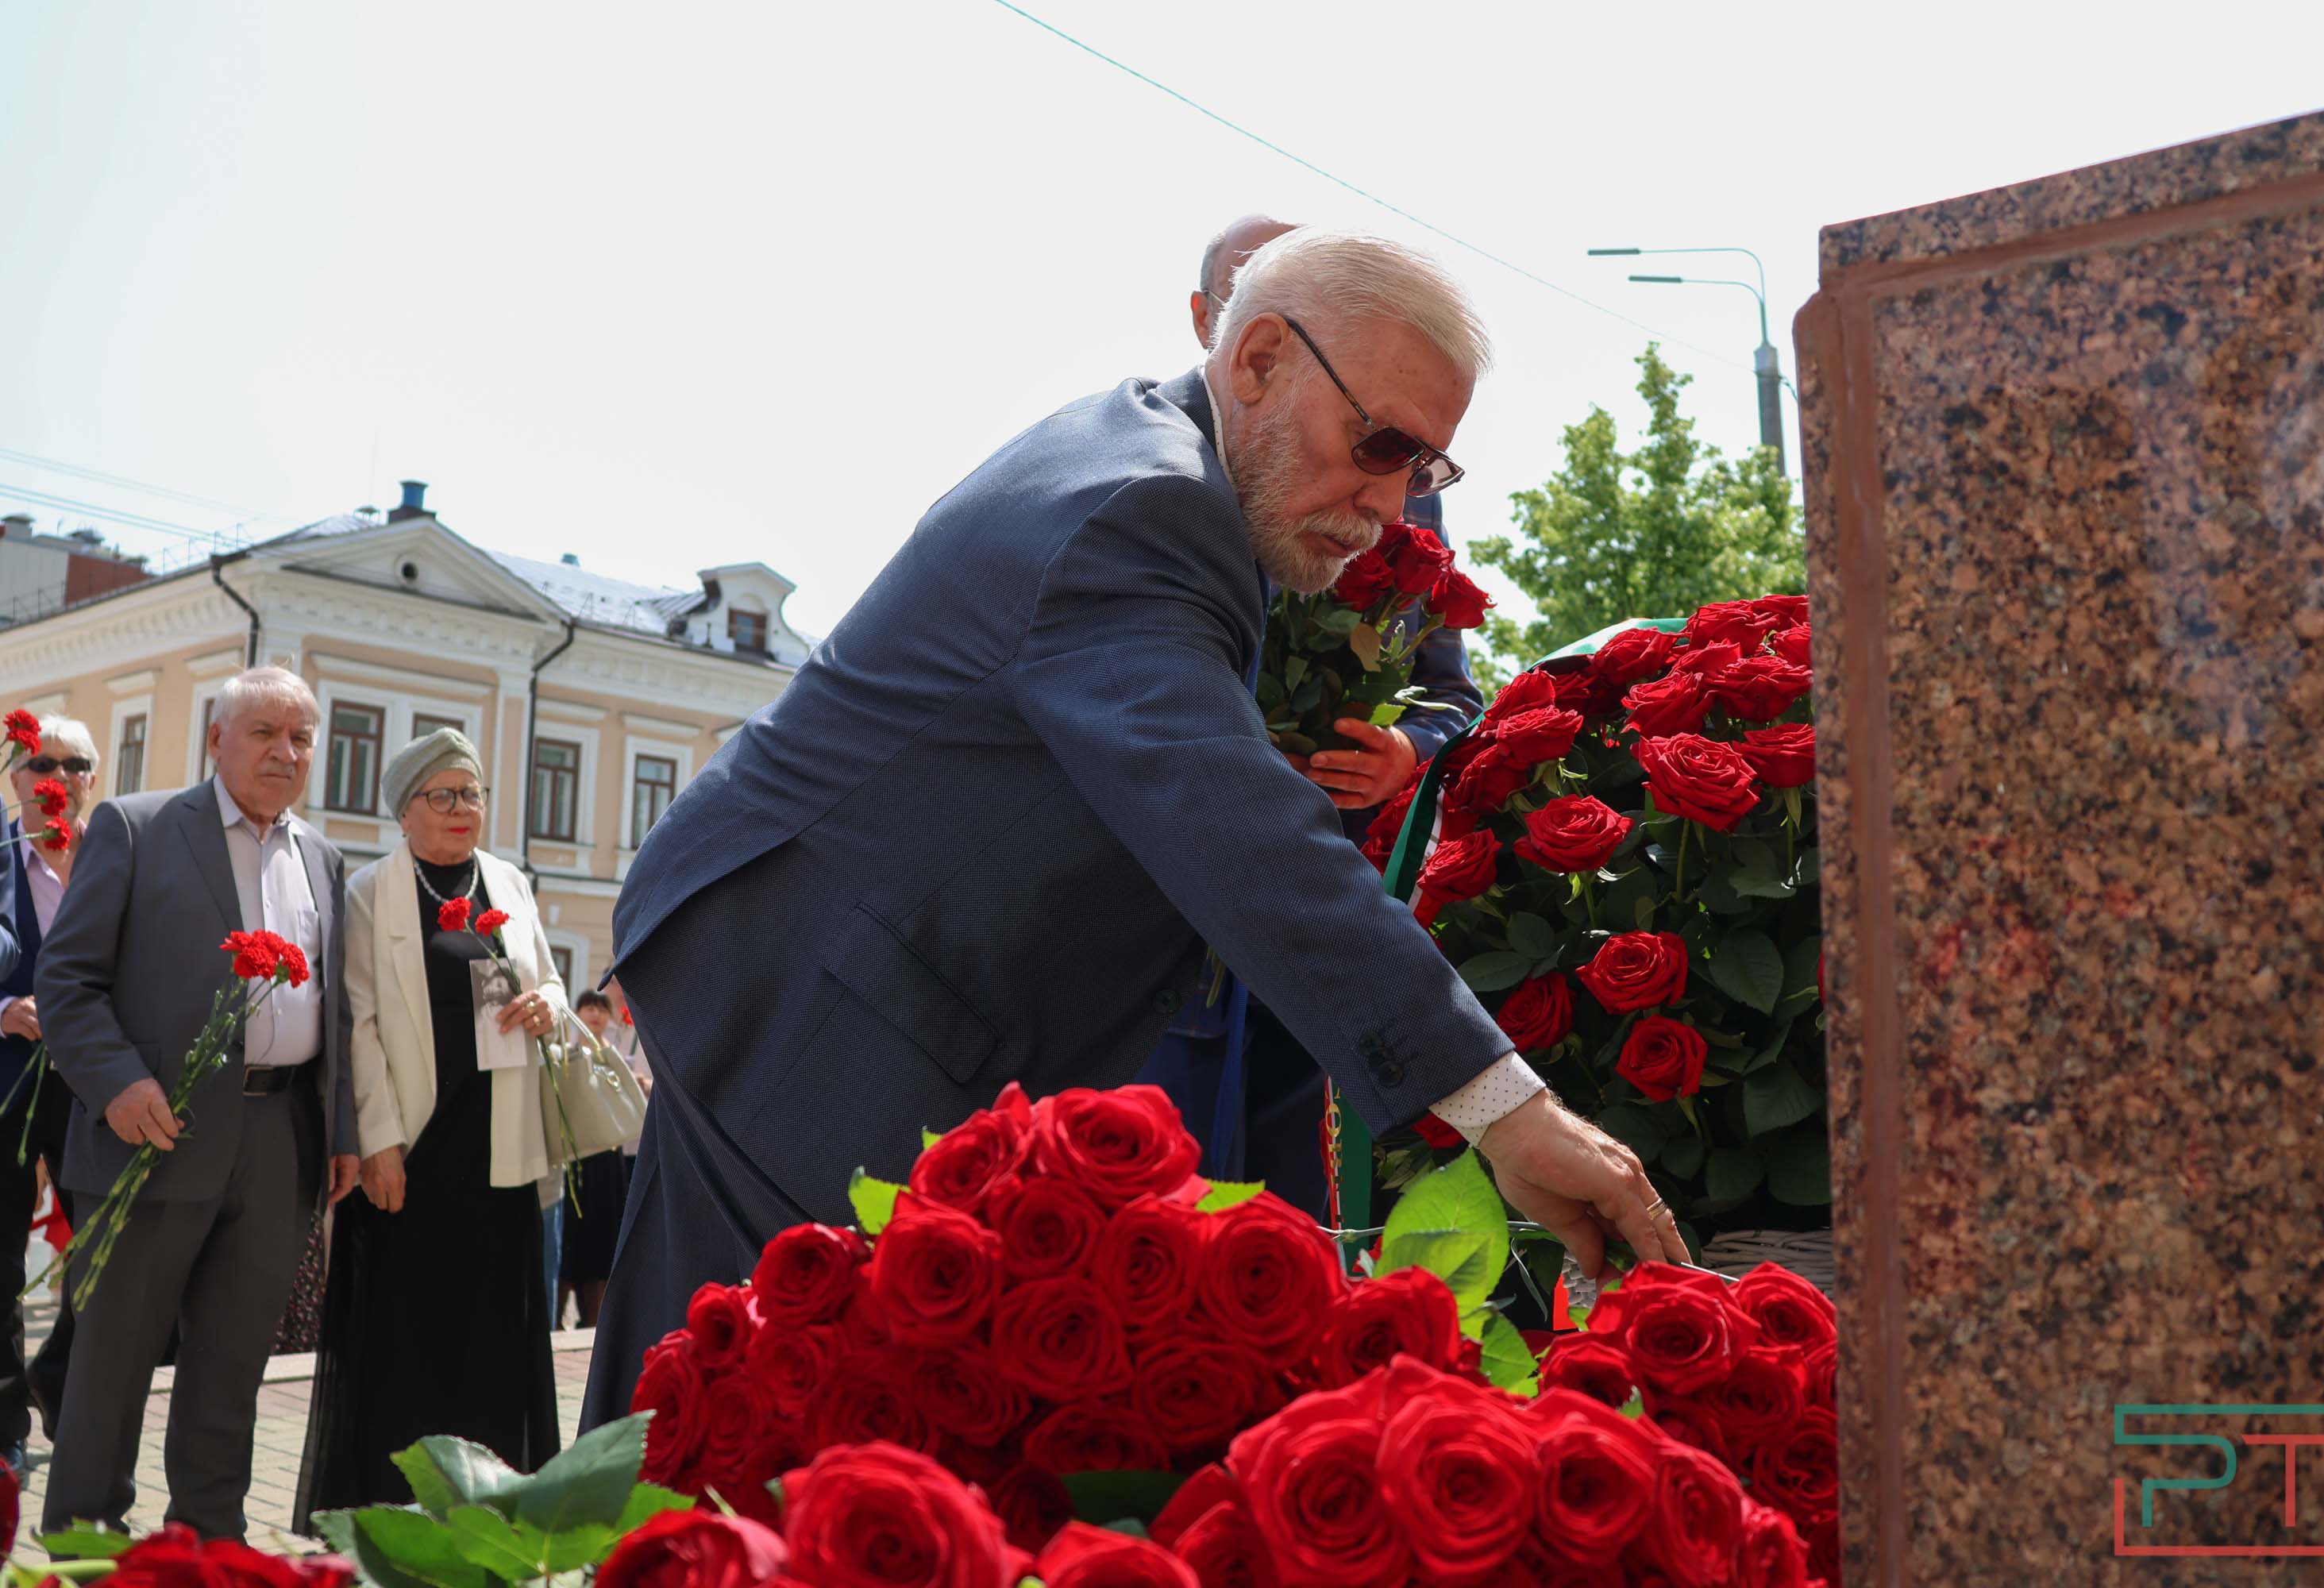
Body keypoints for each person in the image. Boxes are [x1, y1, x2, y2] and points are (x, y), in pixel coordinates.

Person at [582, 228, 1693, 1429]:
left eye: (1427, 467)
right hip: (812, 1006)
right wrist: (1506, 1108)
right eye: (1380, 445)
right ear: (1259, 358)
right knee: (744, 1443)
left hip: (838, 985)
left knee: (735, 1429)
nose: (1390, 505)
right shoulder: (1143, 504)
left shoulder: (1173, 472)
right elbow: (1238, 829)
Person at [1147, 215, 1486, 1212]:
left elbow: (1455, 697)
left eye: (1406, 467)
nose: (1381, 501)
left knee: (1293, 1207)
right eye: (1256, 282)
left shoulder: (1397, 494)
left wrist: (1403, 750)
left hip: (1331, 908)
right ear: (1225, 328)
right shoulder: (1153, 487)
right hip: (1176, 923)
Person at [37, 666, 360, 1539]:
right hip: (153, 1134)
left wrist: (341, 1130)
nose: (285, 752)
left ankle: (209, 1541)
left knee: (231, 1366)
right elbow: (67, 981)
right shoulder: (136, 828)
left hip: (281, 1141)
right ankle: (84, 1542)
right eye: (264, 733)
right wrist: (117, 1082)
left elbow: (335, 1010)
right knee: (114, 1362)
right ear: (217, 740)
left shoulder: (323, 858)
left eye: (301, 738)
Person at [295, 730, 565, 1517]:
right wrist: (377, 1140)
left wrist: (547, 1005)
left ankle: (495, 1509)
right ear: (404, 811)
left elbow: (550, 982)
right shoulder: (371, 892)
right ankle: (396, 1509)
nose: (461, 808)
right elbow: (359, 1023)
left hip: (502, 1150)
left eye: (471, 792)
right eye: (441, 794)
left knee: (496, 1337)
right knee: (408, 1338)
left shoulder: (508, 881)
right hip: (414, 1153)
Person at [1, 716, 100, 1467]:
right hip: (7, 1090)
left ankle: (60, 1378)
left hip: (96, 1094)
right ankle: (5, 1427)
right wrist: (3, 1008)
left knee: (107, 1258)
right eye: (43, 763)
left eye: (75, 765)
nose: (58, 777)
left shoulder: (117, 860)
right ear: (16, 777)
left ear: (92, 782)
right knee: (1, 1265)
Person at [557, 990, 632, 1329]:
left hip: (606, 1162)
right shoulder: (564, 1055)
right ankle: (556, 1319)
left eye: (602, 1009)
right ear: (577, 1013)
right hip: (573, 1161)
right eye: (589, 1008)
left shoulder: (613, 1057)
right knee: (568, 1242)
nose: (596, 1015)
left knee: (601, 1244)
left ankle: (593, 1323)